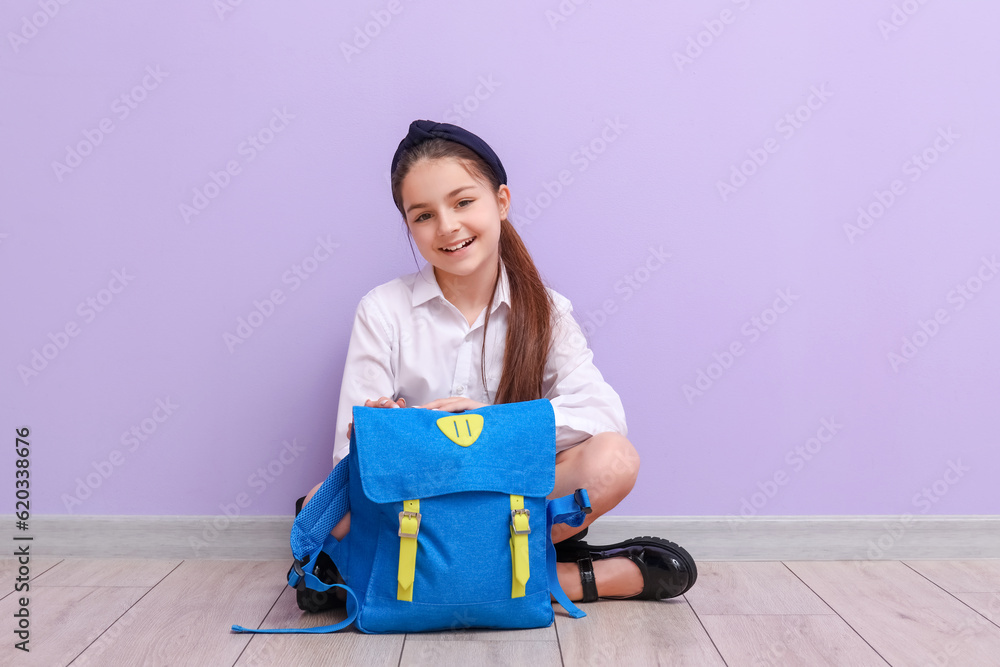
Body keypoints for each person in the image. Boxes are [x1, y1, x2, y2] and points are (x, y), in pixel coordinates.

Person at [295, 120, 695, 610]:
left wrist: (488, 429)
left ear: (501, 202)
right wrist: (386, 433)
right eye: (423, 215)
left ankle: (377, 582)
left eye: (463, 202)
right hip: (417, 512)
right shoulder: (383, 309)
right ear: (409, 226)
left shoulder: (546, 311)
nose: (447, 227)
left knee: (615, 458)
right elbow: (345, 457)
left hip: (511, 509)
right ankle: (578, 579)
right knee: (323, 499)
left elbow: (602, 411)